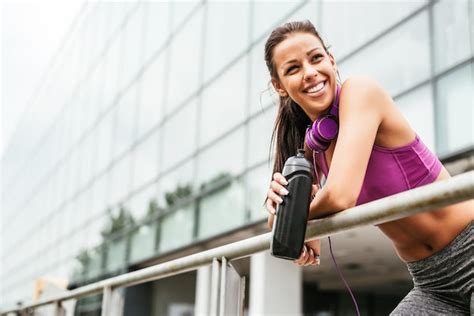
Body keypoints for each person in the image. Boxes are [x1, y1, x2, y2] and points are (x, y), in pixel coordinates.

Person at [264, 20, 473, 315]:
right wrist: (279, 210)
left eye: (316, 58)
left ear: (331, 60)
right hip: (431, 283)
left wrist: (293, 219)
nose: (310, 73)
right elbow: (290, 234)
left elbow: (339, 197)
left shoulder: (360, 91)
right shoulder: (312, 146)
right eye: (293, 68)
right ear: (279, 86)